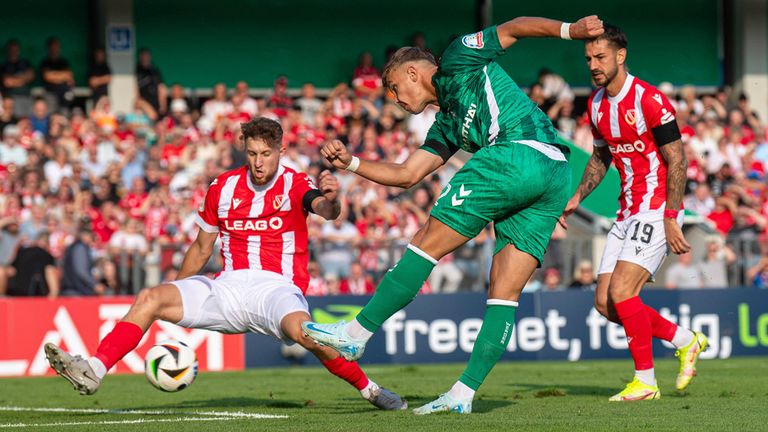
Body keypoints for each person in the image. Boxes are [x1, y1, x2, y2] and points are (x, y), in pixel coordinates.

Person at [303, 15, 603, 415]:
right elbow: (408, 175)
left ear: (413, 72)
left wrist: (572, 31)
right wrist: (353, 163)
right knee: (503, 291)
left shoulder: (458, 56)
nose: (393, 99)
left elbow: (513, 28)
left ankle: (356, 333)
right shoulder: (446, 125)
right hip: (553, 173)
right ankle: (463, 394)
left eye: (393, 87)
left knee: (427, 240)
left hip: (518, 152)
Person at [44, 117, 405, 410]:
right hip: (227, 287)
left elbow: (326, 211)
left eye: (266, 154)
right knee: (150, 298)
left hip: (276, 289)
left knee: (307, 335)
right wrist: (179, 291)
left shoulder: (295, 183)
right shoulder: (222, 187)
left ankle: (369, 390)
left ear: (280, 150)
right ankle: (93, 369)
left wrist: (333, 197)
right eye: (252, 154)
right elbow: (202, 248)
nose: (258, 162)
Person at [559, 24, 708, 402]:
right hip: (624, 212)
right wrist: (577, 196)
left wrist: (672, 215)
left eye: (600, 57)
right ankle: (685, 340)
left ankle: (645, 382)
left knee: (624, 292)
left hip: (656, 208)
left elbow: (677, 160)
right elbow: (599, 158)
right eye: (589, 58)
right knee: (607, 303)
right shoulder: (595, 105)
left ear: (620, 56)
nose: (593, 65)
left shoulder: (649, 100)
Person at [39, 37, 75, 113]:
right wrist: (62, 76)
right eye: (53, 46)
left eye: (57, 46)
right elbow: (47, 77)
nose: (55, 49)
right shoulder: (45, 62)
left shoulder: (64, 62)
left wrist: (54, 75)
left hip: (63, 94)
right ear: (49, 48)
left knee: (64, 116)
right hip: (50, 93)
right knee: (51, 117)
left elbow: (69, 76)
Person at [1, 39, 35, 117]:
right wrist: (24, 78)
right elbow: (8, 82)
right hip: (12, 98)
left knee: (28, 121)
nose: (14, 51)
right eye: (11, 49)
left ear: (19, 50)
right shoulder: (4, 65)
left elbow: (31, 76)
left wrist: (15, 79)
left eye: (16, 49)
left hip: (27, 97)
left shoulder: (25, 62)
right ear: (8, 51)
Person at [136, 48, 167, 115]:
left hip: (155, 101)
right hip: (142, 102)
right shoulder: (136, 70)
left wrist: (163, 105)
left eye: (147, 56)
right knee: (153, 116)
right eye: (143, 56)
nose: (145, 58)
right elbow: (135, 88)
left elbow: (161, 88)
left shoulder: (155, 71)